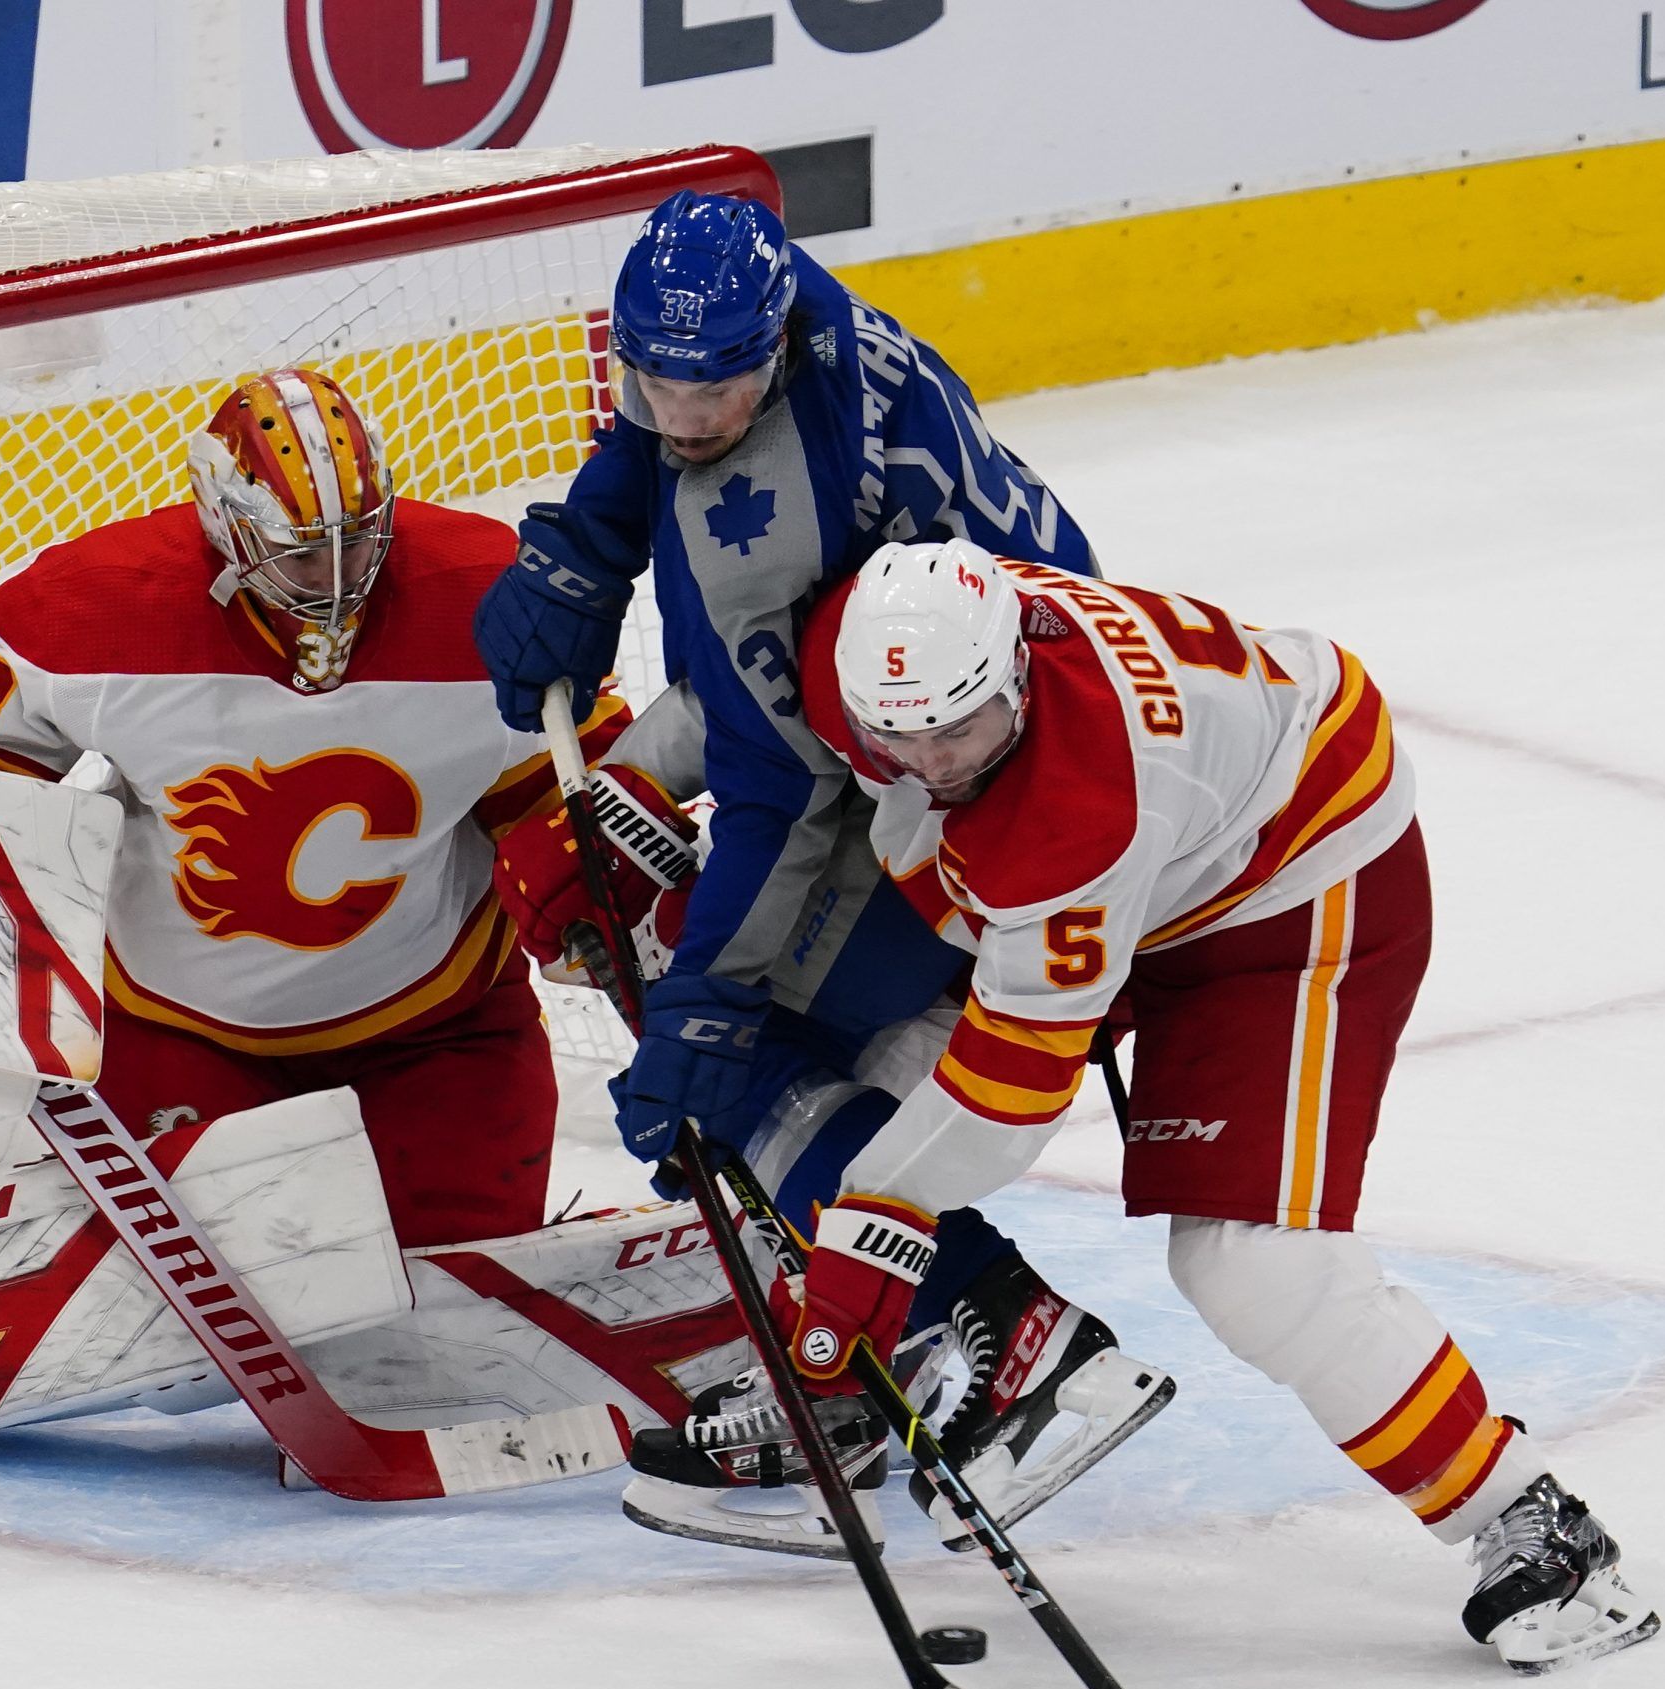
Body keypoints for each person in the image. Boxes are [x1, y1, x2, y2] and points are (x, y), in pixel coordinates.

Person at [641, 538, 1659, 1671]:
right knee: (848, 1090)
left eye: (958, 731)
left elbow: (1005, 1100)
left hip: (1291, 885)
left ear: (1019, 671)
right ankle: (889, 1379)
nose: (929, 762)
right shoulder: (875, 658)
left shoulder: (1080, 806)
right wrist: (623, 782)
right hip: (1145, 871)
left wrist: (874, 1224)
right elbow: (746, 693)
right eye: (900, 737)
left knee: (1249, 1264)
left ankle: (1529, 1521)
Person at [484, 191, 1163, 1555]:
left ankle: (1006, 1328)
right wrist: (590, 542)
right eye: (653, 381)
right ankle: (848, 1360)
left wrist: (709, 1005)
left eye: (715, 387)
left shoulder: (768, 515)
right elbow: (672, 439)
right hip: (996, 720)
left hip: (973, 799)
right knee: (726, 1015)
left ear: (770, 351)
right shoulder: (779, 300)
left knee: (733, 1053)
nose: (683, 414)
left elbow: (783, 790)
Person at [0, 366, 626, 1248]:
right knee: (217, 1308)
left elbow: (584, 776)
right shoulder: (98, 603)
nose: (336, 579)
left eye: (358, 542)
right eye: (301, 553)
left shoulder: (491, 592)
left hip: (439, 1037)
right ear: (226, 525)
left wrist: (595, 878)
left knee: (457, 1294)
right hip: (176, 1039)